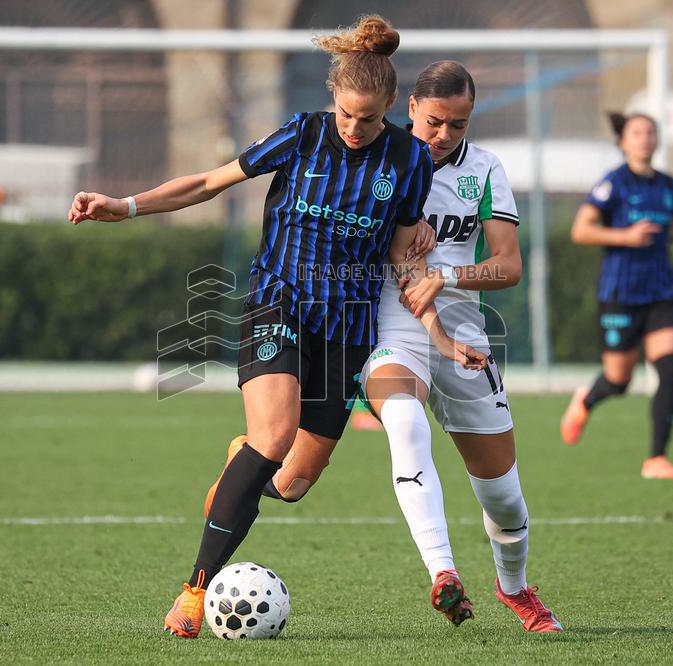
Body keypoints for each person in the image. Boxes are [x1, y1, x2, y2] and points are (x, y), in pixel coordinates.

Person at [69, 15, 482, 639]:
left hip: (345, 329)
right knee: (273, 434)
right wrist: (125, 207)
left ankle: (247, 462)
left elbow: (404, 259)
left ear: (391, 107)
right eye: (344, 113)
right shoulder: (302, 135)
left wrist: (443, 338)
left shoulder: (408, 160)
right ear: (332, 99)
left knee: (289, 481)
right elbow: (209, 183)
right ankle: (194, 590)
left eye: (367, 118)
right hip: (278, 303)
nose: (352, 128)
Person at [235, 60, 562, 632]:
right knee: (405, 423)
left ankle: (515, 589)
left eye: (458, 125)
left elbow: (508, 266)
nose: (443, 136)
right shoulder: (378, 157)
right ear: (409, 108)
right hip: (392, 333)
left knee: (505, 500)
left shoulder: (484, 170)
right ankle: (443, 574)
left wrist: (449, 277)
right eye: (434, 121)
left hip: (464, 339)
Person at [560, 112, 673, 479]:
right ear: (624, 141)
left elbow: (671, 225)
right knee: (619, 381)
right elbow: (581, 230)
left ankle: (656, 458)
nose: (645, 139)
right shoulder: (613, 183)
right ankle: (586, 400)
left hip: (661, 291)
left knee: (668, 370)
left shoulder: (668, 184)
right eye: (637, 133)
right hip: (620, 292)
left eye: (651, 132)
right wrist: (625, 236)